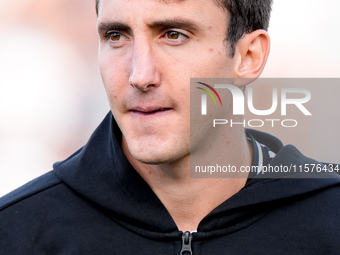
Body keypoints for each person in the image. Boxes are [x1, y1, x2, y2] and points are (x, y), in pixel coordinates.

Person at [1, 0, 339, 254]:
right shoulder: (17, 232)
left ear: (248, 57)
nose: (140, 75)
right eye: (116, 36)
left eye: (173, 35)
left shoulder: (329, 221)